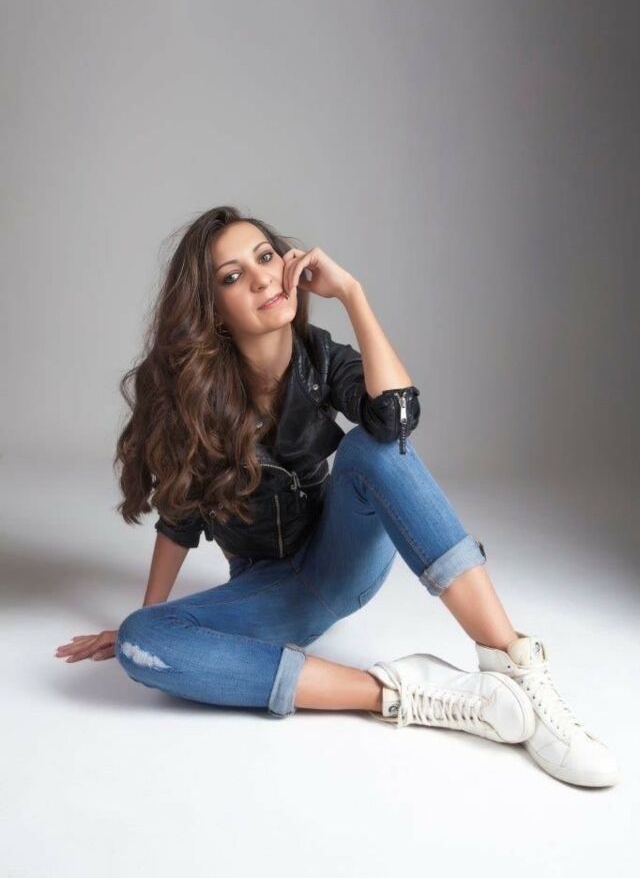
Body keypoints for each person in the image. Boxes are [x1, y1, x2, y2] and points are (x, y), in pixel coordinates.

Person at [55, 206, 620, 788]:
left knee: (373, 447)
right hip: (272, 595)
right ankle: (404, 692)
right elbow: (179, 519)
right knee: (141, 641)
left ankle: (516, 667)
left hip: (340, 559)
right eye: (232, 276)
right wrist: (150, 615)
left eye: (266, 257)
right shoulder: (193, 401)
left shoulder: (321, 359)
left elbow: (397, 419)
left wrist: (352, 293)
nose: (261, 278)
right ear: (213, 311)